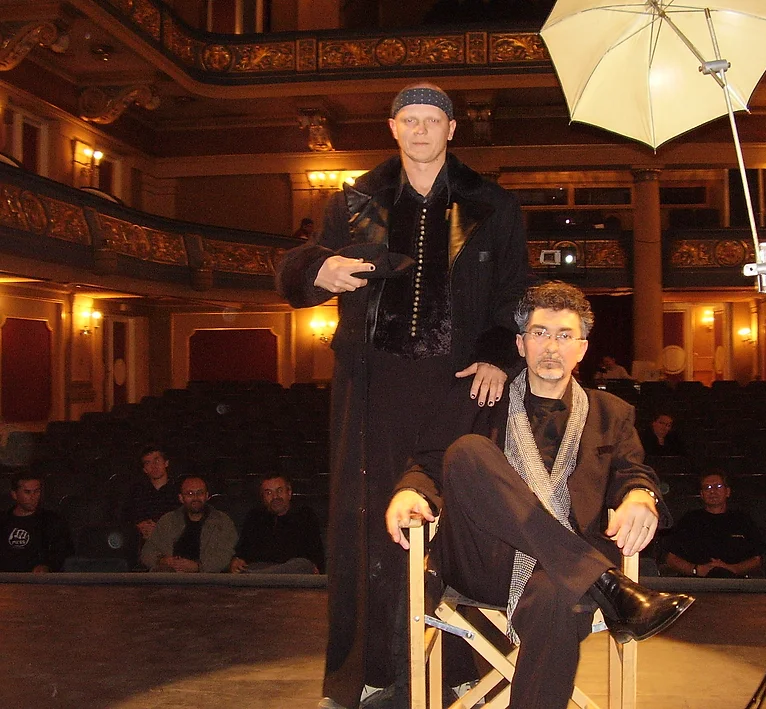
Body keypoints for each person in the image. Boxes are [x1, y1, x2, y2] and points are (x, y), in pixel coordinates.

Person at [277, 82, 528, 709]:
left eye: (431, 120)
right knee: (367, 524)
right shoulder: (353, 201)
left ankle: (464, 668)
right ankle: (370, 668)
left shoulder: (494, 204)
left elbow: (513, 293)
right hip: (373, 387)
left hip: (460, 385)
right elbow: (300, 265)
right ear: (393, 128)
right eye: (408, 119)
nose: (420, 130)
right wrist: (318, 270)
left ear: (451, 130)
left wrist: (498, 354)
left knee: (457, 519)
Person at [385, 282, 693, 709]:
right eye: (540, 333)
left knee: (559, 598)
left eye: (565, 335)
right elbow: (430, 462)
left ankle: (587, 577)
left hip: (555, 577)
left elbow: (633, 471)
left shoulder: (612, 413)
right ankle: (604, 581)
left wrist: (640, 495)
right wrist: (409, 491)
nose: (551, 347)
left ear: (582, 349)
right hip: (482, 557)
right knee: (469, 451)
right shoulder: (481, 397)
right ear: (520, 343)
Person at [662, 470, 765, 578]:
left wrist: (733, 569)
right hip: (696, 582)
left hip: (735, 583)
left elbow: (757, 559)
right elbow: (671, 559)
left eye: (718, 486)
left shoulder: (743, 520)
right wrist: (696, 570)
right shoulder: (688, 520)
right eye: (707, 488)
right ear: (701, 494)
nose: (712, 491)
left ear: (727, 492)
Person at [229, 473, 325, 574]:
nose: (275, 497)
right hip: (261, 569)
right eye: (268, 493)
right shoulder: (255, 517)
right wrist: (237, 560)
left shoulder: (305, 515)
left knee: (302, 564)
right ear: (263, 497)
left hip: (293, 574)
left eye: (279, 491)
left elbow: (315, 554)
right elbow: (243, 551)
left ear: (289, 492)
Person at [140, 476, 237, 573]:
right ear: (181, 498)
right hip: (169, 577)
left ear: (207, 496)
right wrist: (163, 561)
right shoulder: (167, 521)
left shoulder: (222, 522)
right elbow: (147, 553)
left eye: (200, 493)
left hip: (207, 579)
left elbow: (227, 555)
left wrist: (198, 567)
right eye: (190, 493)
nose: (195, 498)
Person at [0, 471, 74, 573]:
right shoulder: (3, 521)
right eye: (27, 492)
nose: (33, 497)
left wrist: (47, 566)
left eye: (37, 491)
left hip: (38, 580)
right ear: (14, 494)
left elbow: (63, 551)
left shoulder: (51, 521)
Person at [122, 444, 179, 554]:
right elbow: (124, 520)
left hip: (171, 546)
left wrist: (158, 529)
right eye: (148, 463)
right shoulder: (135, 493)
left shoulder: (179, 492)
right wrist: (138, 528)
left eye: (157, 460)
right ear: (144, 469)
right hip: (141, 545)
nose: (154, 466)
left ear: (166, 463)